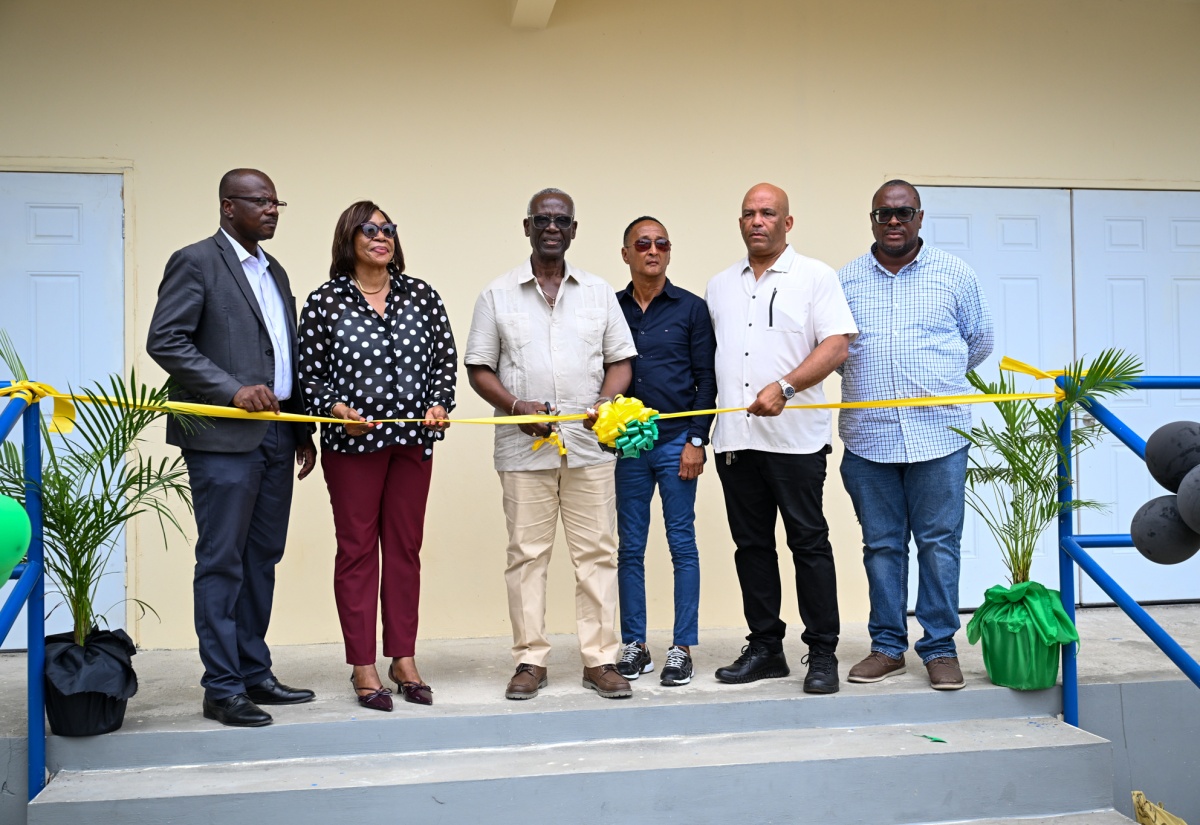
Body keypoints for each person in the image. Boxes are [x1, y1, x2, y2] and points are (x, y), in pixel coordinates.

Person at [147, 168, 317, 727]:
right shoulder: (196, 261)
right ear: (228, 206)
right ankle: (221, 688)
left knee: (262, 557)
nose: (271, 210)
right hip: (223, 435)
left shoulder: (275, 270)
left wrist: (300, 431)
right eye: (261, 201)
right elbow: (166, 340)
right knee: (222, 560)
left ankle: (252, 671)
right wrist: (231, 389)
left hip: (277, 432)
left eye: (276, 203)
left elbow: (284, 355)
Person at [465, 188, 638, 701]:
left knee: (598, 553)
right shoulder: (496, 294)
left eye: (561, 220)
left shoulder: (599, 292)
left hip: (589, 446)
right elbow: (479, 368)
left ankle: (600, 659)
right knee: (526, 556)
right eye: (542, 220)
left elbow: (620, 360)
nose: (552, 228)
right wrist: (516, 406)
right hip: (523, 450)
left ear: (574, 230)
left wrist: (606, 401)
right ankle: (530, 660)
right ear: (527, 227)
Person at [298, 201, 457, 711]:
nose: (380, 237)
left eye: (388, 229)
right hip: (352, 448)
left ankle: (403, 658)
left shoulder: (422, 296)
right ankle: (363, 664)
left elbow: (444, 361)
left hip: (412, 444)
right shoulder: (325, 302)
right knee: (358, 551)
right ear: (349, 238)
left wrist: (438, 404)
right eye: (369, 229)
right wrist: (334, 409)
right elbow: (309, 376)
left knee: (405, 550)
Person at [838, 180, 994, 691]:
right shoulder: (845, 280)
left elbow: (979, 341)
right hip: (869, 437)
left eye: (903, 213)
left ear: (920, 217)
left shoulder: (955, 274)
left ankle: (940, 648)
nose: (893, 221)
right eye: (883, 213)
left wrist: (932, 376)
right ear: (872, 219)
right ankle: (887, 647)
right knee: (881, 546)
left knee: (939, 544)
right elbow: (836, 352)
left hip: (939, 436)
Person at [705, 183, 858, 694]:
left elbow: (836, 345)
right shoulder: (719, 285)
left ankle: (823, 653)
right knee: (751, 547)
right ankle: (766, 648)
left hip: (795, 442)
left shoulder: (816, 277)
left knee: (808, 544)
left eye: (768, 213)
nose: (757, 221)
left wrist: (787, 387)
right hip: (736, 440)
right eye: (749, 213)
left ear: (787, 223)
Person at [612, 216, 716, 687]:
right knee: (630, 547)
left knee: (681, 544)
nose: (653, 250)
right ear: (626, 254)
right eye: (642, 244)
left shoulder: (692, 308)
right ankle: (634, 643)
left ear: (669, 252)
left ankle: (682, 647)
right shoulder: (611, 308)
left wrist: (696, 440)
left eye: (661, 243)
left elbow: (707, 380)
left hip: (677, 442)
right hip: (630, 445)